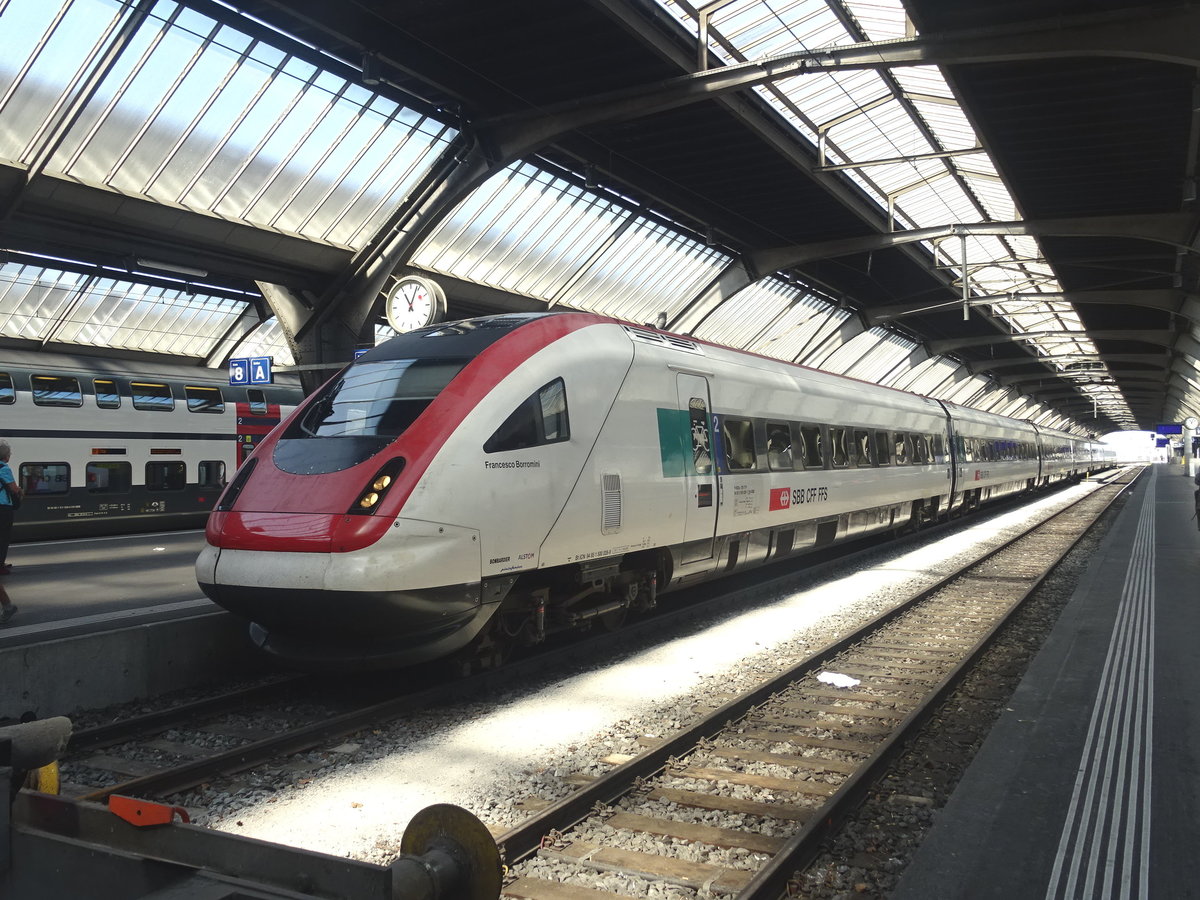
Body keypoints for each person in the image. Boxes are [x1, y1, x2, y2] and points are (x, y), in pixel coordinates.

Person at [0, 441, 21, 611]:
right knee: (3, 537)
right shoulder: (4, 468)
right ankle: (1, 565)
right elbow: (14, 489)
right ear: (5, 456)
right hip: (3, 508)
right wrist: (21, 490)